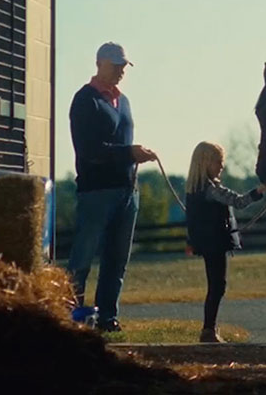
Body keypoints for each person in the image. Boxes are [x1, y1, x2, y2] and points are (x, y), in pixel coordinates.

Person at [67, 42, 156, 332]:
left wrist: (134, 156)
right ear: (99, 64)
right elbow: (89, 149)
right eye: (115, 65)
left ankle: (107, 316)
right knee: (83, 255)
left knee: (117, 259)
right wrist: (129, 152)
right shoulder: (85, 100)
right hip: (97, 191)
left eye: (123, 66)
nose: (120, 71)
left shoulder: (124, 101)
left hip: (128, 190)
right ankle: (71, 313)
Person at [185, 141, 266, 343]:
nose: (222, 166)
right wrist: (261, 190)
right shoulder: (211, 190)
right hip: (215, 242)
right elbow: (239, 201)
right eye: (218, 162)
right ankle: (208, 330)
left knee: (216, 285)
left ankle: (209, 328)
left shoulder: (196, 189)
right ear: (206, 163)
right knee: (217, 285)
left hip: (207, 242)